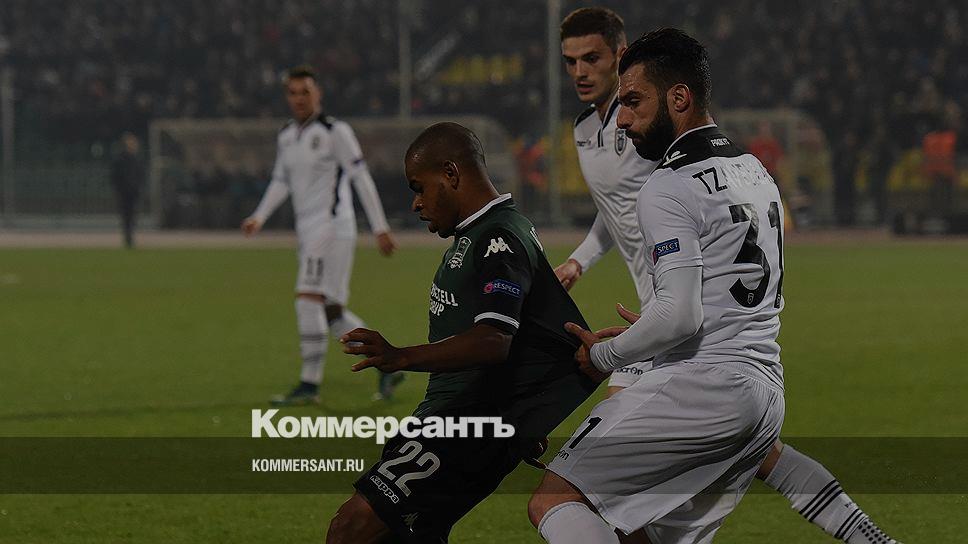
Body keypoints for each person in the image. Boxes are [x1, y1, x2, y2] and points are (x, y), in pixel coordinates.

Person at [529, 28, 900, 544]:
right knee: (640, 535)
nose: (624, 120)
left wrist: (604, 356)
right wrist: (654, 329)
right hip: (764, 391)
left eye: (633, 102)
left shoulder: (668, 185)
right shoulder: (755, 171)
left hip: (704, 388)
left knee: (555, 500)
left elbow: (681, 316)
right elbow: (717, 293)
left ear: (679, 98)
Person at [325, 122, 599, 543]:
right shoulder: (480, 235)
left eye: (419, 187)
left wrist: (401, 356)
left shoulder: (499, 239)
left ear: (451, 174)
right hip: (456, 419)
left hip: (465, 425)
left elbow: (494, 339)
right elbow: (532, 332)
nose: (416, 203)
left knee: (352, 527)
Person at [241, 65, 401, 404]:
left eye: (306, 92)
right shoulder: (287, 135)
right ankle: (388, 364)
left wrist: (380, 227)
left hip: (331, 228)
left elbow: (360, 178)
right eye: (293, 93)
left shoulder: (335, 131)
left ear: (318, 94)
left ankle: (309, 385)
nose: (299, 99)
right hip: (308, 232)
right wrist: (259, 216)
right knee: (331, 311)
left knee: (307, 300)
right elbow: (281, 181)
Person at [110, 132, 145, 249]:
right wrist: (118, 189)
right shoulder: (120, 159)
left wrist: (139, 187)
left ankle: (130, 236)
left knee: (133, 215)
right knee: (126, 215)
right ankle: (128, 237)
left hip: (134, 191)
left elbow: (141, 175)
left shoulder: (137, 159)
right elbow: (114, 176)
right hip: (123, 192)